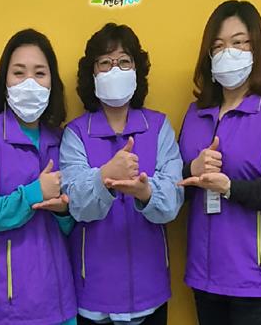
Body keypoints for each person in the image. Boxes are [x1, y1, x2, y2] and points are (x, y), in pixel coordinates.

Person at [178, 0, 261, 325]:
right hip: (205, 278)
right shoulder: (195, 114)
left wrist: (232, 188)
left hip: (257, 282)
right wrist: (191, 170)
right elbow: (175, 186)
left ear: (256, 49)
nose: (227, 53)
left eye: (238, 43)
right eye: (218, 46)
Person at [60, 23, 183, 325]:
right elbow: (77, 204)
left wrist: (146, 193)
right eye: (105, 62)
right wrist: (104, 177)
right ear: (92, 73)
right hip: (94, 294)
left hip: (150, 292)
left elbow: (173, 199)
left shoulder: (159, 127)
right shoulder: (76, 133)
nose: (115, 70)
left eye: (124, 61)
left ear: (137, 70)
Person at [0, 29, 77, 325]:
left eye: (40, 73)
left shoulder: (60, 139)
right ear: (4, 80)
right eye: (19, 72)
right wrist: (34, 193)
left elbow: (71, 224)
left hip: (60, 301)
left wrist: (63, 211)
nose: (30, 82)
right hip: (8, 305)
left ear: (52, 82)